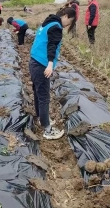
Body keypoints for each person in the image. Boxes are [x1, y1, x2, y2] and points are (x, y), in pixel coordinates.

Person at [29, 7, 76, 140]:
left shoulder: (47, 22)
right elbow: (52, 46)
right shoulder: (56, 27)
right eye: (70, 21)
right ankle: (48, 130)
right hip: (42, 65)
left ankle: (41, 118)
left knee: (38, 93)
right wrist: (50, 64)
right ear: (66, 16)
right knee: (44, 96)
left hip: (34, 61)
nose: (68, 24)